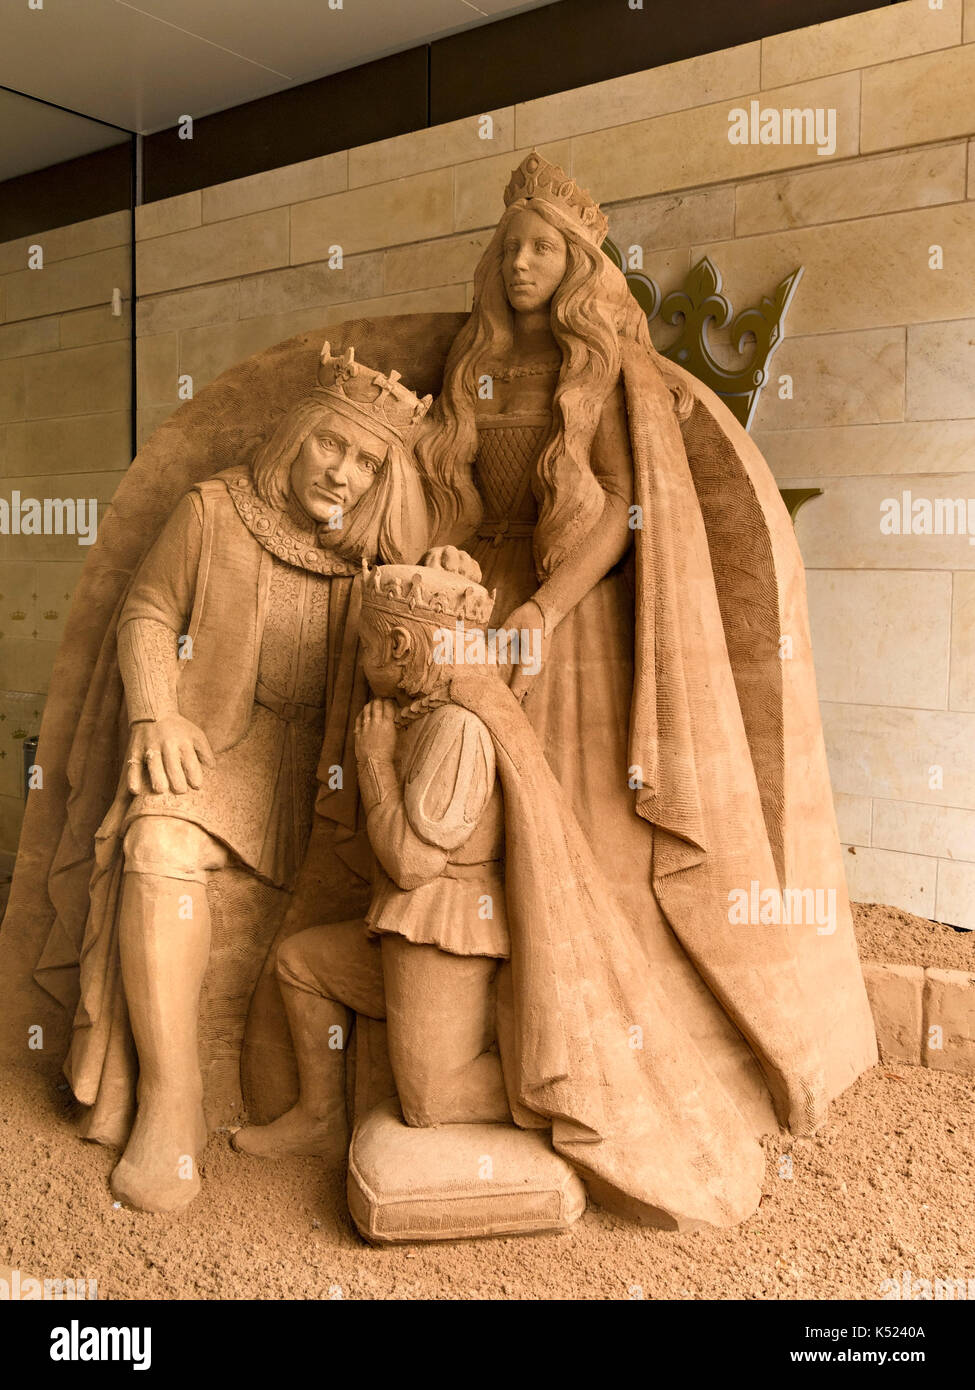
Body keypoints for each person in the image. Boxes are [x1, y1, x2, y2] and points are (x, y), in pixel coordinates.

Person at [66, 344, 431, 1212]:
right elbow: (148, 612)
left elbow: (420, 630)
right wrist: (157, 711)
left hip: (326, 772)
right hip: (217, 745)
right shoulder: (213, 510)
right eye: (330, 447)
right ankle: (171, 1100)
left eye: (367, 461)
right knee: (158, 839)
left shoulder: (371, 554)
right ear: (296, 438)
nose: (343, 473)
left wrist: (439, 573)